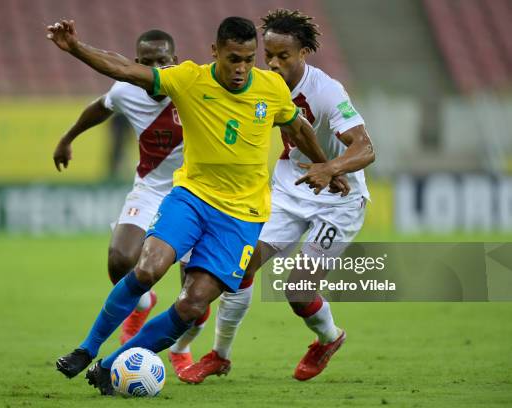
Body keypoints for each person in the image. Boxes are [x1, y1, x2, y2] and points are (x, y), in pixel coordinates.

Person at [46, 16, 349, 395]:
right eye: (232, 58)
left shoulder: (271, 87)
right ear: (214, 52)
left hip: (242, 217)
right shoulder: (189, 79)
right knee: (147, 268)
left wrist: (325, 165)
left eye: (247, 59)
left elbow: (299, 126)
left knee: (191, 306)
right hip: (191, 198)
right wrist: (76, 48)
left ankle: (110, 366)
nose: (240, 69)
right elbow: (124, 67)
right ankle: (86, 349)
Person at [179, 9, 375, 384]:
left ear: (304, 53)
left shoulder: (327, 91)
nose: (274, 63)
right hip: (291, 188)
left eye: (284, 56)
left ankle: (328, 339)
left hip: (340, 199)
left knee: (298, 291)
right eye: (269, 55)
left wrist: (330, 168)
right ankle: (219, 355)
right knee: (241, 266)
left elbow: (366, 148)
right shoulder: (261, 85)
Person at [52, 30, 208, 378]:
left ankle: (181, 348)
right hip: (151, 188)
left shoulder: (194, 89)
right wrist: (67, 138)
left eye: (163, 60)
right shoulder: (126, 90)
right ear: (137, 65)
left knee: (194, 295)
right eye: (148, 62)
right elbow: (100, 107)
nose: (156, 67)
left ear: (175, 61)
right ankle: (141, 303)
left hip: (197, 193)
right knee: (120, 259)